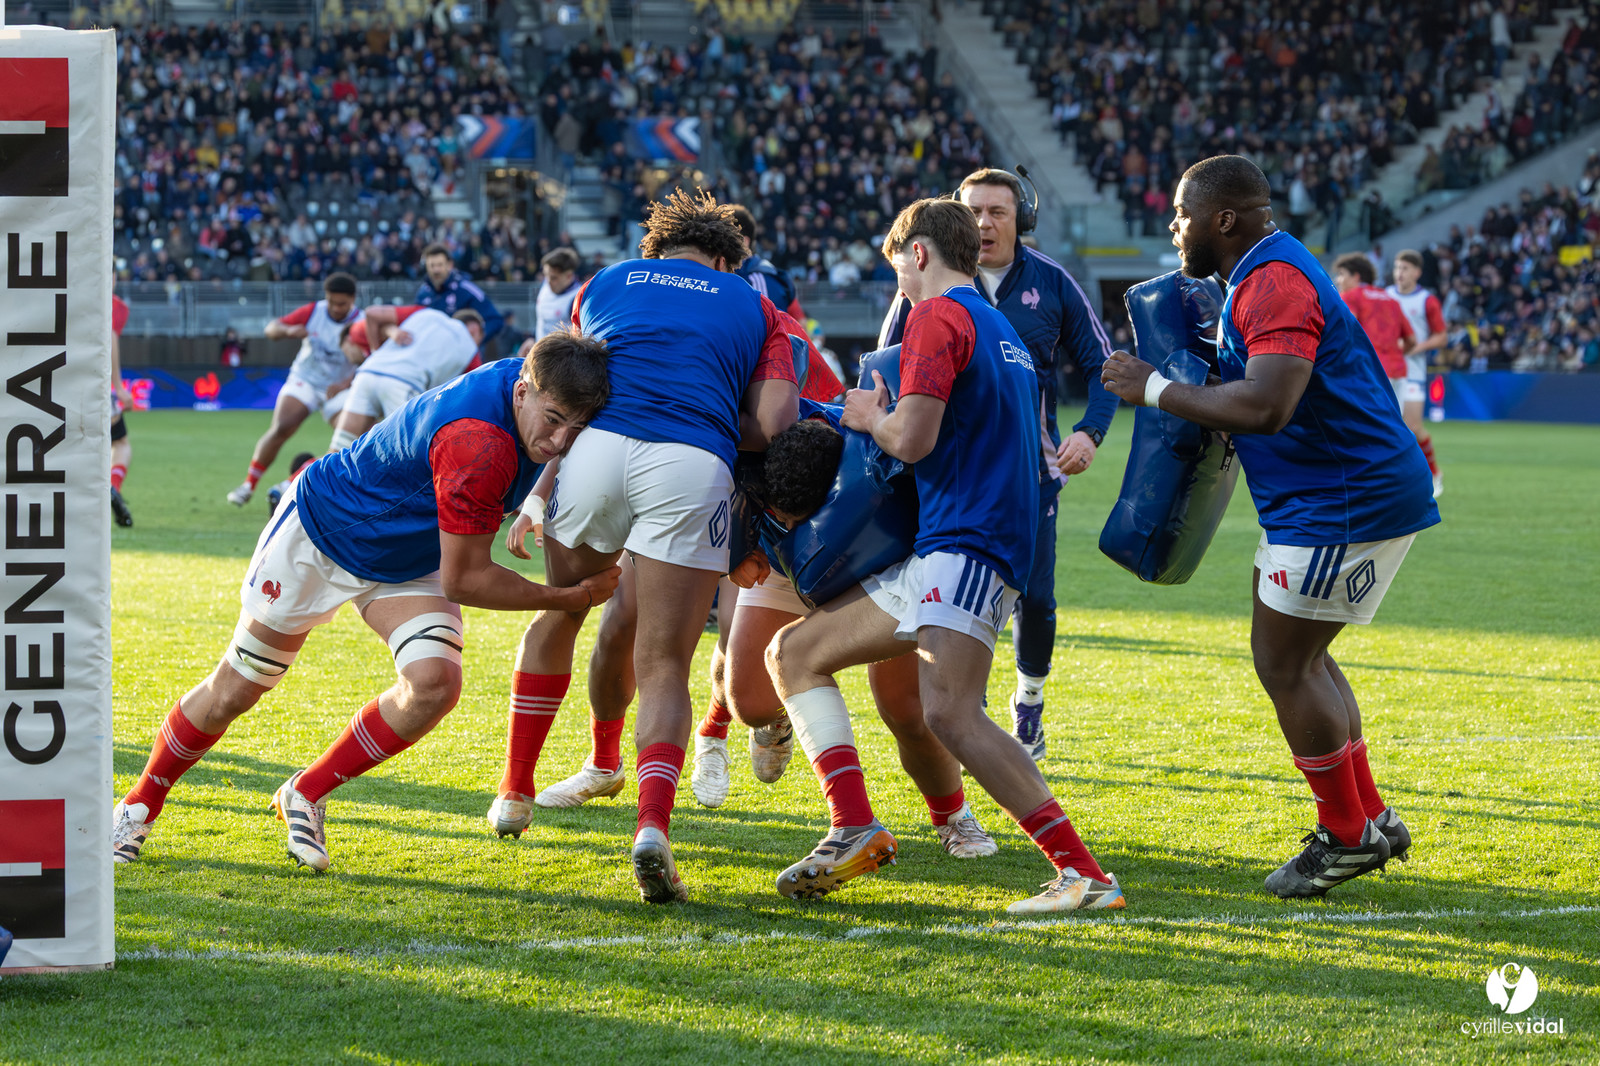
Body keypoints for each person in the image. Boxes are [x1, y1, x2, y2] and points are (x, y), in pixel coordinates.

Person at [111, 337, 619, 871]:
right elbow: (465, 580)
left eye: (575, 428)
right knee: (235, 689)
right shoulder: (479, 442)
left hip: (410, 553)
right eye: (555, 420)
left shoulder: (537, 377)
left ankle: (305, 792)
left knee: (434, 684)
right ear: (522, 392)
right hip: (324, 534)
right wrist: (569, 597)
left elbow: (552, 439)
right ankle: (139, 805)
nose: (561, 442)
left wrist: (535, 499)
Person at [769, 197, 1123, 913]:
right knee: (794, 654)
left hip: (967, 539)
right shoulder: (999, 328)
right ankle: (852, 824)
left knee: (953, 715)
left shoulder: (937, 315)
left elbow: (915, 438)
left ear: (920, 254)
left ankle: (1083, 875)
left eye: (898, 265)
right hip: (971, 540)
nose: (898, 280)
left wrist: (870, 418)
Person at [1100, 155, 1440, 899]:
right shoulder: (1263, 271)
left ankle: (1346, 836)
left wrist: (1154, 388)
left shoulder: (1273, 280)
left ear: (1223, 218)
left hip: (1340, 499)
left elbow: (1266, 406)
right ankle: (1370, 816)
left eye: (1183, 214)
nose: (1174, 226)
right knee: (1305, 657)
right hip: (1330, 495)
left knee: (1284, 663)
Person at [484, 189, 798, 905]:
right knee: (662, 663)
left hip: (593, 456)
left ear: (655, 250)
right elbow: (776, 423)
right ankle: (651, 830)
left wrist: (538, 496)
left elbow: (575, 385)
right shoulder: (755, 304)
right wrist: (710, 410)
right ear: (724, 260)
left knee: (567, 611)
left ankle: (515, 790)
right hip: (690, 464)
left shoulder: (605, 282)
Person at [879, 167, 1116, 760]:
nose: (984, 222)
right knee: (934, 587)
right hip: (943, 477)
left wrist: (1089, 432)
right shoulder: (921, 288)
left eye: (998, 212)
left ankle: (1028, 701)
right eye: (973, 211)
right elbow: (882, 370)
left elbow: (1105, 366)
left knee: (1034, 598)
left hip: (1030, 475)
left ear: (1021, 219)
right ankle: (961, 703)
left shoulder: (1053, 282)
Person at [226, 273, 362, 507]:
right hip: (306, 379)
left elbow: (369, 361)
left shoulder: (362, 321)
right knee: (282, 426)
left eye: (341, 304)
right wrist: (288, 332)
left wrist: (344, 384)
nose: (335, 308)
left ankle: (291, 482)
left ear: (352, 300)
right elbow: (271, 328)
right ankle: (248, 485)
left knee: (350, 441)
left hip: (339, 387)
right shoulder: (314, 312)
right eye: (331, 302)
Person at [328, 307, 484, 451]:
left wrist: (377, 349)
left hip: (368, 373)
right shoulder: (471, 350)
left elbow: (372, 314)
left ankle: (307, 475)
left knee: (338, 450)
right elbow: (476, 392)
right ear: (476, 332)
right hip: (404, 385)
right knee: (405, 458)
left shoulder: (426, 313)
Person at [1387, 249, 1447, 496]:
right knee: (1388, 425)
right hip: (1386, 372)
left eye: (1405, 269)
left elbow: (1442, 336)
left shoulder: (1426, 300)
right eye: (1397, 268)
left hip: (1413, 372)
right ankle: (1394, 478)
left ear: (1417, 272)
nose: (1399, 273)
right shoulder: (1385, 296)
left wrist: (1414, 347)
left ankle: (1434, 473)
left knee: (1412, 425)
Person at [415, 243, 505, 349]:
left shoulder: (466, 290)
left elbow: (494, 320)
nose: (436, 270)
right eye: (432, 265)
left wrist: (472, 342)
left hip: (463, 359)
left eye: (440, 265)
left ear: (449, 265)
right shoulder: (423, 293)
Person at [730, 205, 806, 321]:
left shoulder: (759, 278)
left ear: (743, 241)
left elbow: (799, 322)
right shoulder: (773, 274)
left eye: (724, 238)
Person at [110, 293, 134, 528]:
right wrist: (117, 386)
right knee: (120, 443)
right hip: (98, 384)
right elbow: (111, 337)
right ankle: (112, 486)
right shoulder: (116, 306)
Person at [534, 248, 581, 338]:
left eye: (554, 278)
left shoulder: (577, 300)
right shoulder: (546, 285)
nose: (548, 281)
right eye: (545, 275)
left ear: (569, 276)